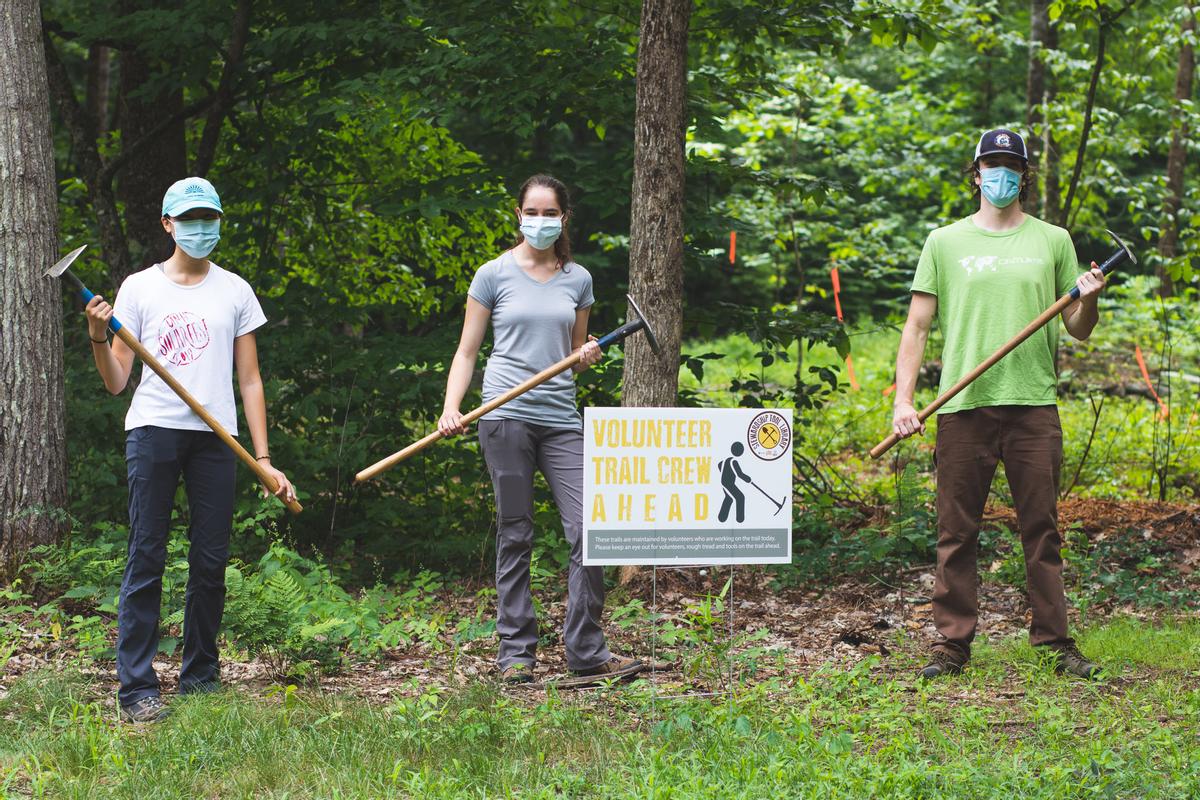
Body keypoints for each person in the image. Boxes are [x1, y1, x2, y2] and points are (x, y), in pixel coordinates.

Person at [891, 129, 1106, 680]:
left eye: (1011, 164)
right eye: (993, 163)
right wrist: (905, 400)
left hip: (1033, 405)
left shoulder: (1053, 240)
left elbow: (1077, 328)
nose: (1001, 173)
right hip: (964, 405)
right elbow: (917, 326)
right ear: (977, 170)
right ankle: (952, 644)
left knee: (1042, 529)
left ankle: (1055, 643)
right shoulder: (944, 241)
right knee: (956, 530)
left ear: (1023, 174)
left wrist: (1092, 299)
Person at [85, 177, 296, 721]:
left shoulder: (235, 290)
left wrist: (264, 458)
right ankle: (136, 688)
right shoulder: (138, 289)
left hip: (216, 438)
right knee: (147, 554)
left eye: (210, 219)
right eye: (190, 219)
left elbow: (249, 380)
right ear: (167, 224)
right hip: (153, 431)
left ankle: (200, 678)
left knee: (209, 562)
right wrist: (97, 336)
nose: (201, 229)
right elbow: (115, 382)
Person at [438, 174, 643, 685]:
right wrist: (451, 408)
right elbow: (467, 352)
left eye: (551, 213)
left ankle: (586, 652)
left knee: (591, 530)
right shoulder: (493, 275)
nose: (541, 221)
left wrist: (588, 356)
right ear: (518, 214)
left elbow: (573, 359)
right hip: (504, 416)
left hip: (560, 419)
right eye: (533, 211)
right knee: (516, 532)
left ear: (564, 218)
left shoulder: (579, 279)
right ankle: (516, 654)